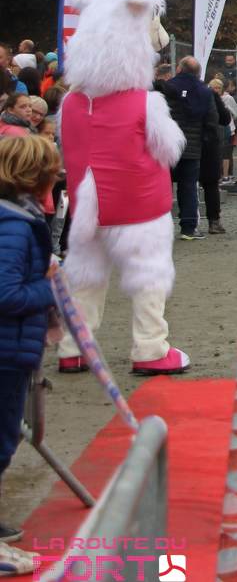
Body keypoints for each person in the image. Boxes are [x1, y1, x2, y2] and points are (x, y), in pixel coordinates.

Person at [0, 135, 61, 571]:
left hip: (11, 347)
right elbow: (6, 293)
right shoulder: (16, 225)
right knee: (1, 439)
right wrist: (48, 286)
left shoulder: (16, 218)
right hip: (6, 350)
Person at [164, 57, 217, 241]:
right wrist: (205, 141)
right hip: (192, 147)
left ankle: (161, 227)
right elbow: (212, 121)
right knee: (188, 187)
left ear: (180, 69)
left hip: (167, 146)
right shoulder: (205, 91)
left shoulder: (168, 87)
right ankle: (188, 228)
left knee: (163, 186)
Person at [198, 79, 232, 235]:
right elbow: (225, 118)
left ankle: (188, 224)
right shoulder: (210, 94)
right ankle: (214, 221)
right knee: (211, 184)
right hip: (208, 143)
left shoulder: (173, 90)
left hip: (182, 143)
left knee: (185, 184)